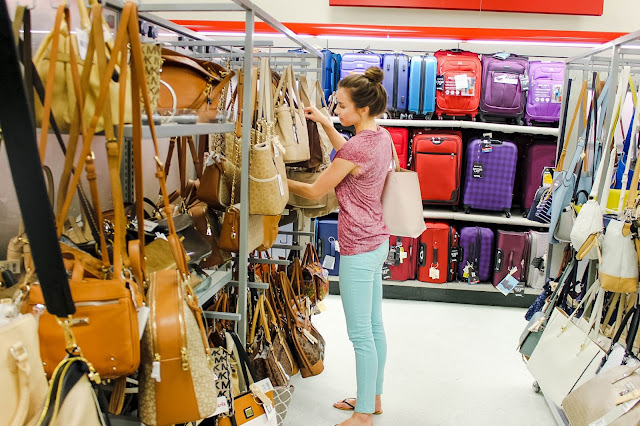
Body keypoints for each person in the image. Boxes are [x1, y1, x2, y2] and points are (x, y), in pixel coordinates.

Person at [287, 67, 392, 426]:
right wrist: (324, 122)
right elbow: (348, 154)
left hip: (358, 248)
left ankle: (363, 415)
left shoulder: (360, 146)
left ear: (363, 109)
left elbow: (316, 189)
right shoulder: (380, 136)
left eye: (342, 106)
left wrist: (273, 176)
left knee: (360, 334)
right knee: (374, 327)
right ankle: (372, 399)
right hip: (377, 239)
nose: (337, 111)